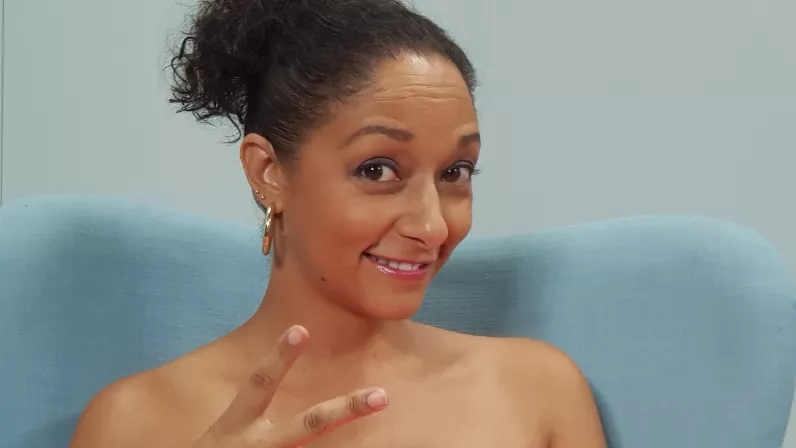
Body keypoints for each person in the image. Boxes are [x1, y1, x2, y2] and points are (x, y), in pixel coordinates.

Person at [70, 0, 605, 447]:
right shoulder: (132, 424)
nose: (433, 227)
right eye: (377, 170)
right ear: (268, 171)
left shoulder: (538, 393)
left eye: (455, 172)